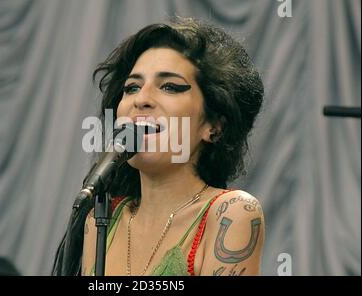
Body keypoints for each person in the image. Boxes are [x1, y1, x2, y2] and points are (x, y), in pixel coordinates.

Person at [54, 17, 265, 276]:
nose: (141, 99)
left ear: (214, 126)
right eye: (131, 88)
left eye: (169, 86)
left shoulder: (231, 214)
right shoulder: (99, 222)